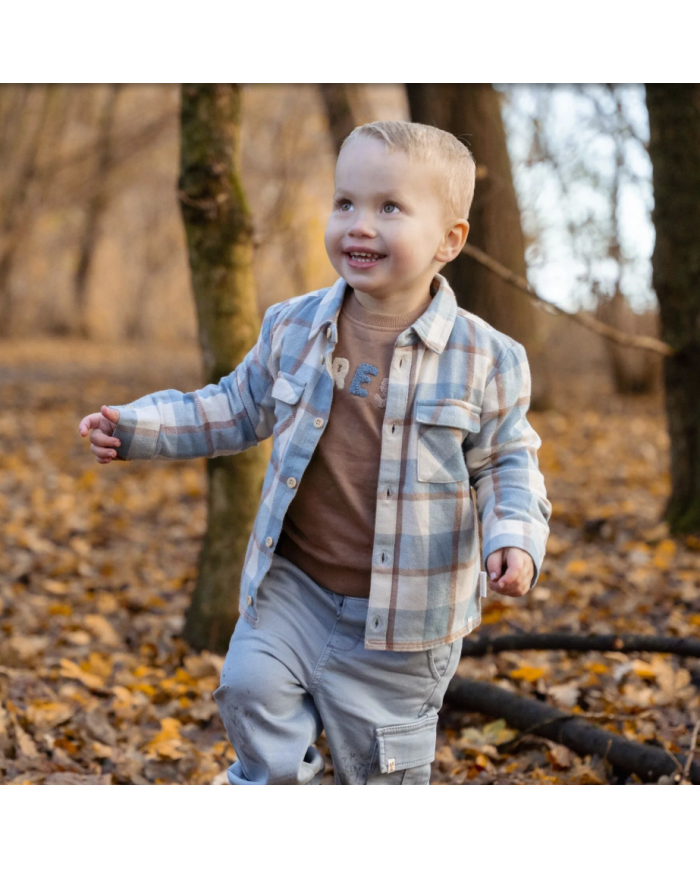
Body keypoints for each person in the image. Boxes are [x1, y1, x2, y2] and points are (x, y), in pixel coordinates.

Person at [78, 120, 551, 785]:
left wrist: (516, 536)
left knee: (380, 775)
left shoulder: (488, 359)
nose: (359, 223)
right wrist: (138, 427)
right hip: (294, 588)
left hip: (406, 625)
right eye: (345, 202)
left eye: (389, 207)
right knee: (247, 684)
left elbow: (506, 460)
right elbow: (235, 407)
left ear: (450, 239)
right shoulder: (293, 326)